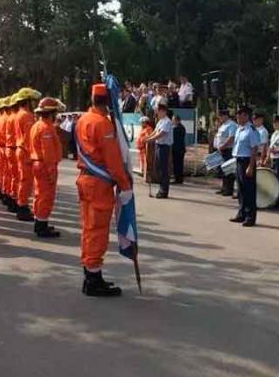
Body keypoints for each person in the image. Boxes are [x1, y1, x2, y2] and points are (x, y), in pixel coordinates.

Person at [75, 83, 132, 297]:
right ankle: (93, 279)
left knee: (89, 229)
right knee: (98, 231)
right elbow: (114, 161)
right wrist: (125, 185)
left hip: (86, 180)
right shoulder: (102, 124)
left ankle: (90, 273)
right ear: (108, 101)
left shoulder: (82, 120)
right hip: (99, 184)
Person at [30, 97, 65, 238]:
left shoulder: (37, 125)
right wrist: (51, 170)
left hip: (38, 163)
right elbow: (48, 152)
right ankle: (42, 225)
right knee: (46, 195)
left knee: (39, 195)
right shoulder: (46, 128)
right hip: (45, 165)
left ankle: (40, 221)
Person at [229, 107, 260, 227]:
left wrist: (251, 166)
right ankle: (241, 213)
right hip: (239, 160)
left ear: (246, 116)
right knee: (241, 190)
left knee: (249, 191)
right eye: (237, 115)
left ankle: (250, 216)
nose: (237, 117)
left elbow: (254, 149)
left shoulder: (250, 130)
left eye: (239, 115)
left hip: (247, 161)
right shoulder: (239, 129)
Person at [146, 101, 173, 198]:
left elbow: (161, 134)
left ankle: (164, 190)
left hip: (164, 147)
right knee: (158, 167)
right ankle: (161, 188)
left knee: (163, 169)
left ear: (163, 111)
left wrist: (150, 140)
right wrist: (148, 137)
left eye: (158, 111)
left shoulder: (167, 121)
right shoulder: (160, 121)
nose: (157, 113)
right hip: (158, 147)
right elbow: (155, 132)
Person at [214, 110, 238, 196]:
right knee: (223, 169)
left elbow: (231, 137)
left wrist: (223, 146)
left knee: (228, 170)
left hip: (228, 150)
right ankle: (224, 187)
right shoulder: (223, 125)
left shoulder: (231, 125)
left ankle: (229, 189)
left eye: (221, 116)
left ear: (226, 116)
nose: (220, 118)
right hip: (221, 150)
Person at [171, 115, 186, 184]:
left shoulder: (178, 128)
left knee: (178, 164)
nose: (172, 121)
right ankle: (178, 178)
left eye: (173, 120)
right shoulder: (181, 127)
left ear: (177, 120)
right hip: (179, 148)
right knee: (178, 164)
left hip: (178, 149)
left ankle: (178, 179)